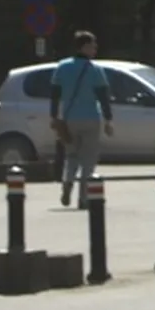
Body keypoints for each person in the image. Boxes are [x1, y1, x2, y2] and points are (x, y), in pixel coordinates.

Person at [49, 30, 113, 209]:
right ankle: (84, 197)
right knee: (89, 160)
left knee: (71, 156)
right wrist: (108, 120)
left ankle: (67, 183)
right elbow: (103, 97)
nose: (95, 49)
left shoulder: (62, 67)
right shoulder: (95, 70)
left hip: (69, 119)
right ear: (84, 47)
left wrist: (54, 116)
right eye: (92, 45)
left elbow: (54, 94)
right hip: (91, 118)